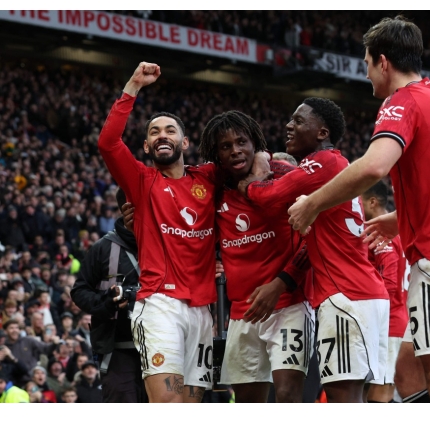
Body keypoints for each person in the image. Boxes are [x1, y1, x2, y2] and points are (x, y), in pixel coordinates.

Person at [287, 16, 430, 403]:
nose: (366, 74)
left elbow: (373, 166)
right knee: (407, 366)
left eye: (366, 64)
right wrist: (401, 220)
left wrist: (312, 204)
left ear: (383, 61)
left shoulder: (401, 102)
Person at [97, 62, 268, 403]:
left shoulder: (208, 177)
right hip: (159, 304)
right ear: (146, 147)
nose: (163, 135)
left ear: (185, 142)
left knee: (190, 406)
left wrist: (264, 160)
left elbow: (248, 158)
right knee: (167, 404)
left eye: (170, 130)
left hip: (202, 311)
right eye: (155, 132)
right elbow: (108, 143)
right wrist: (133, 85)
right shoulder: (142, 181)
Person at [237, 97, 390, 403]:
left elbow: (270, 196)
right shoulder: (334, 168)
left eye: (298, 121)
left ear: (322, 133)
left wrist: (251, 180)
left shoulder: (325, 162)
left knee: (343, 398)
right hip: (357, 293)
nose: (289, 126)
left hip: (347, 295)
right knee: (348, 396)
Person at [197, 111, 313, 402]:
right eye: (225, 146)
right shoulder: (215, 190)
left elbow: (316, 240)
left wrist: (280, 284)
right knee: (249, 404)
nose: (235, 150)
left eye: (241, 142)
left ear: (255, 145)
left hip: (290, 304)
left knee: (288, 395)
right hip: (242, 312)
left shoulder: (284, 175)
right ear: (217, 155)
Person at [71, 187, 147, 403]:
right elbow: (79, 290)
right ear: (126, 209)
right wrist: (107, 303)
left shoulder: (167, 243)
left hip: (160, 345)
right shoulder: (102, 248)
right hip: (117, 349)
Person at [360, 181, 409, 403]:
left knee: (379, 395)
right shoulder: (399, 231)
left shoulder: (383, 235)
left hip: (388, 324)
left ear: (372, 202)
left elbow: (388, 283)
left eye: (358, 201)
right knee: (378, 392)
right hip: (397, 321)